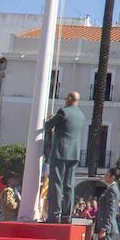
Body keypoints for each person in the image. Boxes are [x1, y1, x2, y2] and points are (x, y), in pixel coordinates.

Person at [44, 92, 85, 223]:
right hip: (74, 155)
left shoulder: (63, 111)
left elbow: (47, 126)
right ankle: (67, 216)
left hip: (60, 153)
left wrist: (50, 119)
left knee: (56, 184)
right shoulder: (81, 115)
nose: (65, 100)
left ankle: (54, 215)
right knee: (69, 185)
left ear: (70, 99)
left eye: (66, 98)